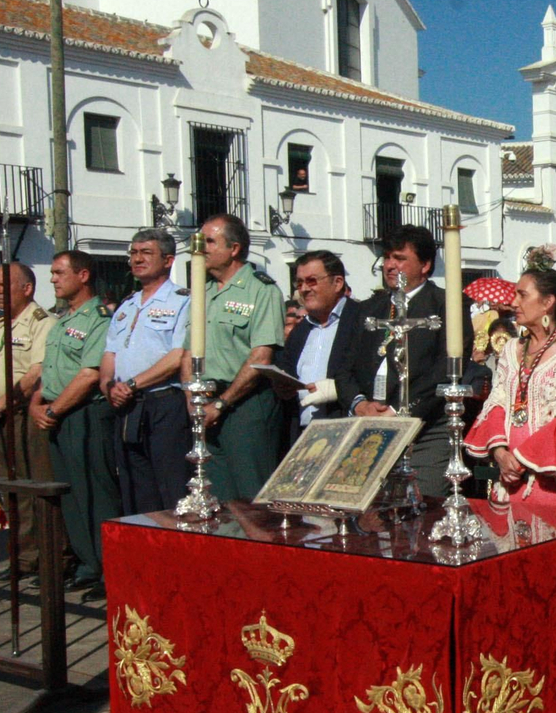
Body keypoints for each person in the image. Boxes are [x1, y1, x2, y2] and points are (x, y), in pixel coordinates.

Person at [342, 225, 470, 499]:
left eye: (400, 258)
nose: (389, 265)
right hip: (370, 426)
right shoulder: (368, 309)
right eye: (387, 257)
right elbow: (344, 367)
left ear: (425, 265)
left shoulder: (445, 305)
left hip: (425, 428)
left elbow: (447, 368)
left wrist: (400, 410)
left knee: (422, 504)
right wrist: (360, 404)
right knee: (371, 508)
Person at [466, 268, 556, 508]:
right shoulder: (511, 349)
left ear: (547, 302)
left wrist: (519, 460)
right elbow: (496, 401)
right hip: (506, 481)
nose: (514, 302)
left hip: (547, 484)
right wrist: (500, 452)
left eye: (522, 295)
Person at [30, 251, 120, 598]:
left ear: (83, 276)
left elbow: (89, 374)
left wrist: (53, 411)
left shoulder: (98, 319)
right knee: (71, 495)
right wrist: (38, 402)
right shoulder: (61, 320)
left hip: (84, 413)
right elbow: (50, 369)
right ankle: (87, 563)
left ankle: (108, 568)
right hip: (57, 413)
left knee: (96, 492)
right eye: (52, 272)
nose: (52, 279)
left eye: (59, 272)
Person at [184, 214, 285, 504]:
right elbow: (188, 352)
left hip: (244, 404)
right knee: (216, 495)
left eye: (210, 242)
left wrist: (222, 403)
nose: (201, 249)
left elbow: (261, 356)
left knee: (251, 496)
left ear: (234, 249)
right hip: (205, 402)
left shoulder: (261, 290)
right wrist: (191, 399)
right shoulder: (202, 291)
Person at [100, 229, 192, 515]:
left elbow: (178, 356)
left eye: (146, 253)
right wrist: (108, 386)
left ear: (168, 260)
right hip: (127, 406)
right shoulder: (126, 305)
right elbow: (110, 352)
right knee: (136, 488)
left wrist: (131, 383)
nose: (137, 259)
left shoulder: (182, 301)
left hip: (163, 403)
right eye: (134, 253)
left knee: (170, 487)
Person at [0, 262, 59, 578]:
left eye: (3, 285)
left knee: (35, 487)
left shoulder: (41, 323)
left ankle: (48, 556)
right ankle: (23, 556)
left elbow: (37, 371)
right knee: (10, 490)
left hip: (24, 413)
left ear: (27, 288)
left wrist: (6, 400)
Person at [274, 251, 367, 444]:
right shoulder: (300, 331)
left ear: (338, 283)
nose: (304, 289)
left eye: (312, 281)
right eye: (299, 283)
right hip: (304, 434)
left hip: (348, 431)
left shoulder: (363, 320)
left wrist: (337, 389)